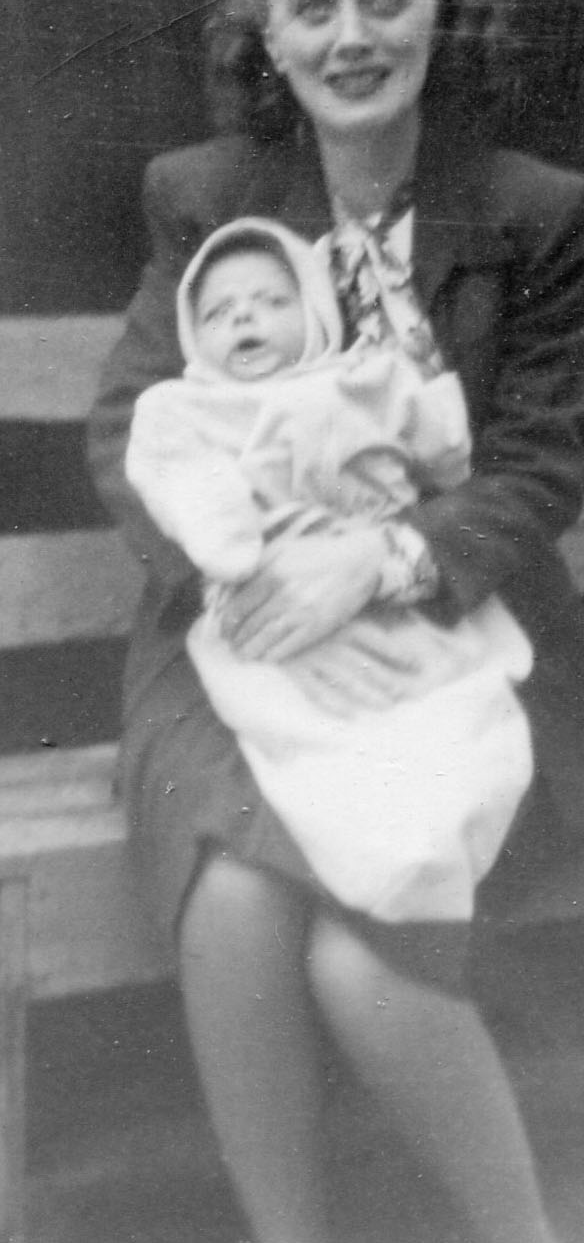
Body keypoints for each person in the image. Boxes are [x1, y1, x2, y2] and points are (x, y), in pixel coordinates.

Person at [86, 0, 584, 1243]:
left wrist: (377, 563)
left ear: (441, 10)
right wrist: (254, 574)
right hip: (238, 636)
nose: (351, 37)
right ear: (266, 31)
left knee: (367, 965)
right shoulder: (205, 198)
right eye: (312, 5)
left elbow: (537, 466)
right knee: (231, 894)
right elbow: (130, 428)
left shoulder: (531, 212)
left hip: (440, 639)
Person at [125, 216, 535, 925]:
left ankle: (423, 850)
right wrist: (230, 557)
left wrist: (427, 390)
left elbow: (448, 449)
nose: (244, 318)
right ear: (193, 335)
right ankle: (379, 863)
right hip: (261, 595)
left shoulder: (362, 378)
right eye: (218, 313)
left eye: (271, 301)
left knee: (443, 705)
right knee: (307, 730)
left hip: (390, 584)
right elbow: (173, 472)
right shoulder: (189, 407)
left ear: (316, 311)